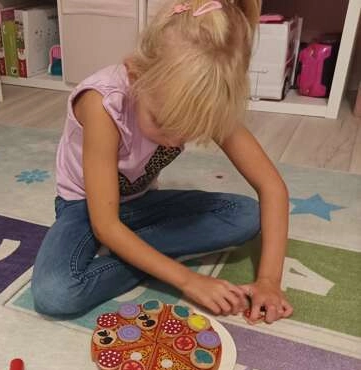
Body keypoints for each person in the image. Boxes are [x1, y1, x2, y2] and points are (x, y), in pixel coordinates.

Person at [31, 0, 293, 324]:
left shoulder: (202, 97)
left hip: (141, 204)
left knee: (246, 215)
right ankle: (150, 255)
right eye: (164, 123)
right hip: (84, 208)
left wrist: (269, 281)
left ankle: (139, 252)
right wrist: (187, 280)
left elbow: (271, 187)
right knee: (56, 292)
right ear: (136, 75)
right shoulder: (102, 104)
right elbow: (105, 224)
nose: (173, 139)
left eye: (190, 130)